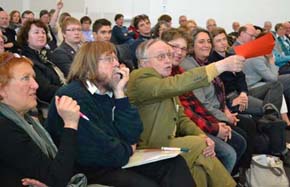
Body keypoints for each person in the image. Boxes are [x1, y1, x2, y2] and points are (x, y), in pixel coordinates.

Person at [45, 41, 195, 187]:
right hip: (88, 168)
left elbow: (134, 133)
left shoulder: (110, 91)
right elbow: (99, 148)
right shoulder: (73, 95)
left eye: (116, 58)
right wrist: (128, 148)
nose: (116, 64)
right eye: (109, 59)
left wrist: (119, 93)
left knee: (173, 164)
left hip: (115, 160)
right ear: (89, 66)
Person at [127, 38, 245, 187]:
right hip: (149, 148)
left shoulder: (164, 80)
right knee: (200, 146)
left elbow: (181, 117)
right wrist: (220, 66)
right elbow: (176, 84)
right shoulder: (139, 78)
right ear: (144, 62)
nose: (168, 60)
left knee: (199, 166)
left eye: (169, 55)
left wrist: (201, 135)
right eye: (161, 56)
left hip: (167, 142)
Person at [161, 28, 247, 173]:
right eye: (174, 47)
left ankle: (234, 175)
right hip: (175, 131)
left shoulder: (184, 69)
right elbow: (190, 111)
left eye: (182, 48)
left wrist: (220, 118)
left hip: (200, 119)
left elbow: (194, 104)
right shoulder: (180, 69)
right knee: (229, 152)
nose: (179, 52)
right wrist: (215, 126)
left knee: (241, 138)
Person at [0, 52, 81, 187]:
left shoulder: (27, 121)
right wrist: (70, 124)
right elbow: (57, 179)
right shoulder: (4, 129)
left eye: (33, 77)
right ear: (2, 89)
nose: (36, 85)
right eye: (26, 78)